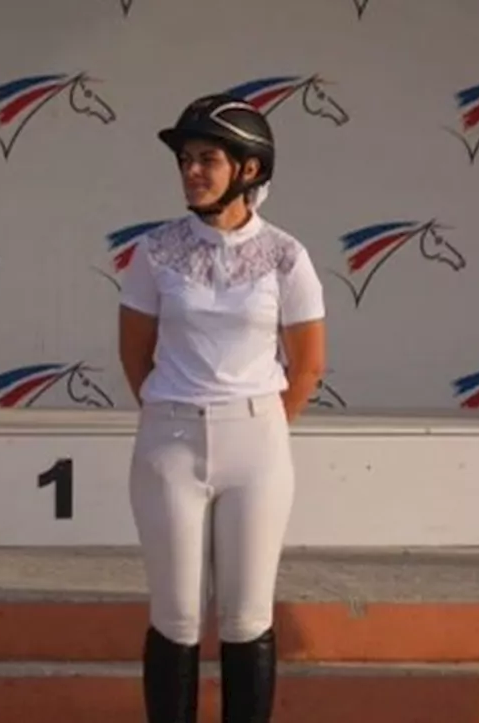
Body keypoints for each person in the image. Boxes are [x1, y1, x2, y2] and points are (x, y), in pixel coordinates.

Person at [116, 93, 327, 723]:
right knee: (176, 614)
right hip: (170, 443)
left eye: (207, 158)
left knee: (247, 616)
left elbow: (309, 364)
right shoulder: (153, 252)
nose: (191, 171)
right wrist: (178, 413)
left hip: (257, 448)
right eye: (186, 159)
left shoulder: (288, 255)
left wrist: (255, 428)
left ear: (250, 170)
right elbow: (136, 355)